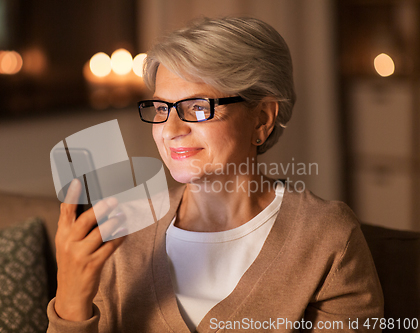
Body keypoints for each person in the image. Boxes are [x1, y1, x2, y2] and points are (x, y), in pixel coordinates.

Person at [47, 17, 384, 332]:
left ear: (262, 118)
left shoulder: (326, 237)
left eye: (197, 107)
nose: (170, 130)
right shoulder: (124, 227)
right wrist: (71, 297)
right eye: (162, 108)